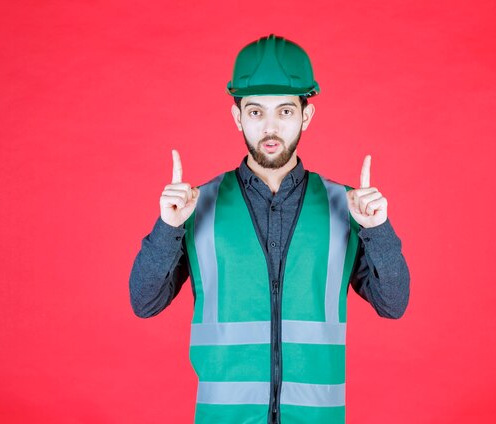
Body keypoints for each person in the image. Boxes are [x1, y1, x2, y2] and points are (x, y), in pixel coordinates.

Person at [129, 34, 410, 424]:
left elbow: (393, 304)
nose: (271, 127)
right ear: (237, 117)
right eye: (257, 112)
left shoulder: (347, 208)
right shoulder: (194, 206)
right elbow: (144, 303)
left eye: (286, 111)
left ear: (306, 116)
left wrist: (378, 230)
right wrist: (167, 227)